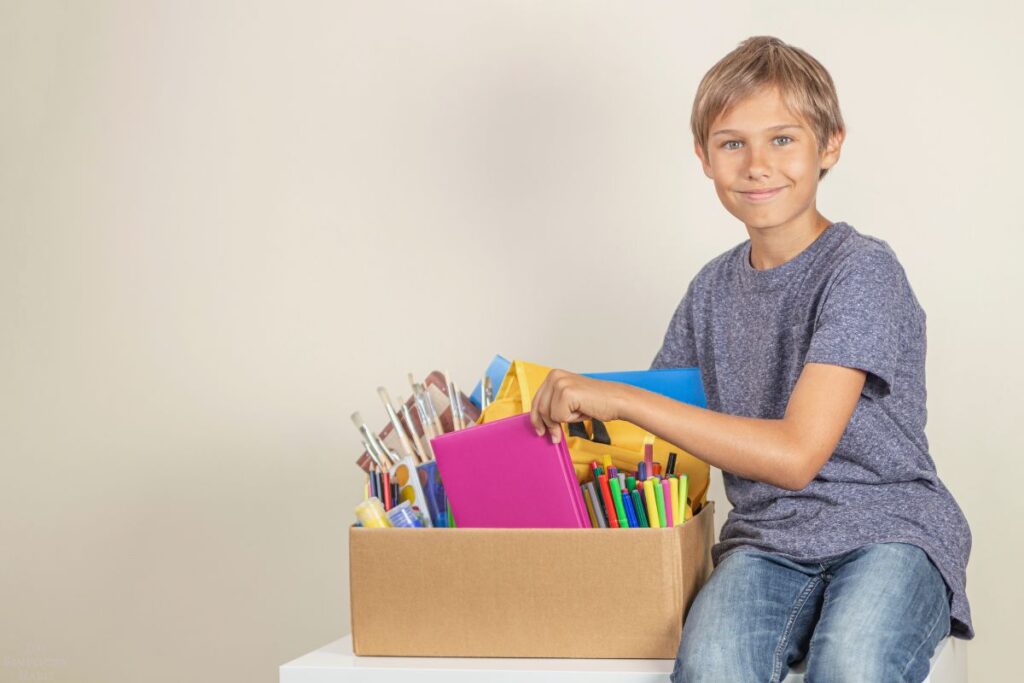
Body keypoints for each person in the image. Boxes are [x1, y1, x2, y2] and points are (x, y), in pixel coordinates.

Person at [528, 36, 972, 682]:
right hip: (766, 542)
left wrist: (618, 396)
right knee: (709, 665)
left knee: (852, 659)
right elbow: (656, 442)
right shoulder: (709, 291)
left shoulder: (862, 271)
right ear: (704, 159)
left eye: (782, 139)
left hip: (888, 530)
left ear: (831, 144)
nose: (757, 164)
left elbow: (796, 454)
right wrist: (525, 419)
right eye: (732, 142)